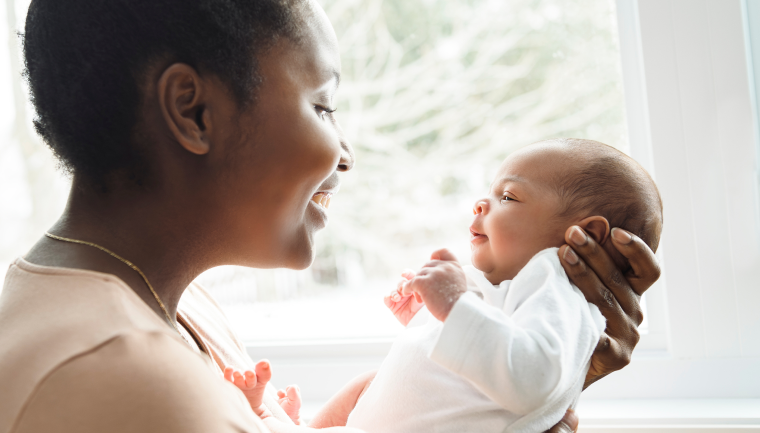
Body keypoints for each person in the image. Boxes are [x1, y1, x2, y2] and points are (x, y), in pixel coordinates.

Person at [0, 0, 661, 431]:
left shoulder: (170, 308)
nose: (345, 154)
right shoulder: (121, 376)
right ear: (192, 111)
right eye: (322, 104)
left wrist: (521, 390)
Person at [225, 139, 663, 433]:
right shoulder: (517, 288)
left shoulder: (562, 289)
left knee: (369, 384)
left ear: (581, 234)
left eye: (508, 197)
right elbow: (471, 363)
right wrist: (425, 319)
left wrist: (455, 305)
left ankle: (274, 419)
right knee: (371, 383)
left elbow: (530, 378)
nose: (482, 203)